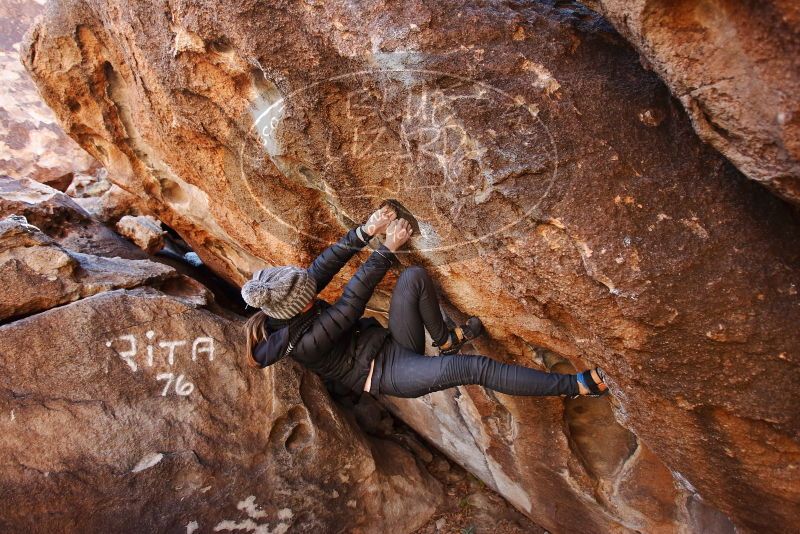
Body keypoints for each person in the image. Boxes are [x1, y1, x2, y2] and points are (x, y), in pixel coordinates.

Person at [241, 205, 609, 399]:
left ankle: (445, 339)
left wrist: (365, 230)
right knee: (473, 369)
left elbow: (323, 265)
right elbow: (349, 306)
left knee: (413, 278)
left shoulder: (288, 301)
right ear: (300, 307)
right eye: (309, 293)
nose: (312, 287)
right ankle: (577, 386)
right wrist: (385, 249)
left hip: (391, 343)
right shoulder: (301, 343)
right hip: (387, 375)